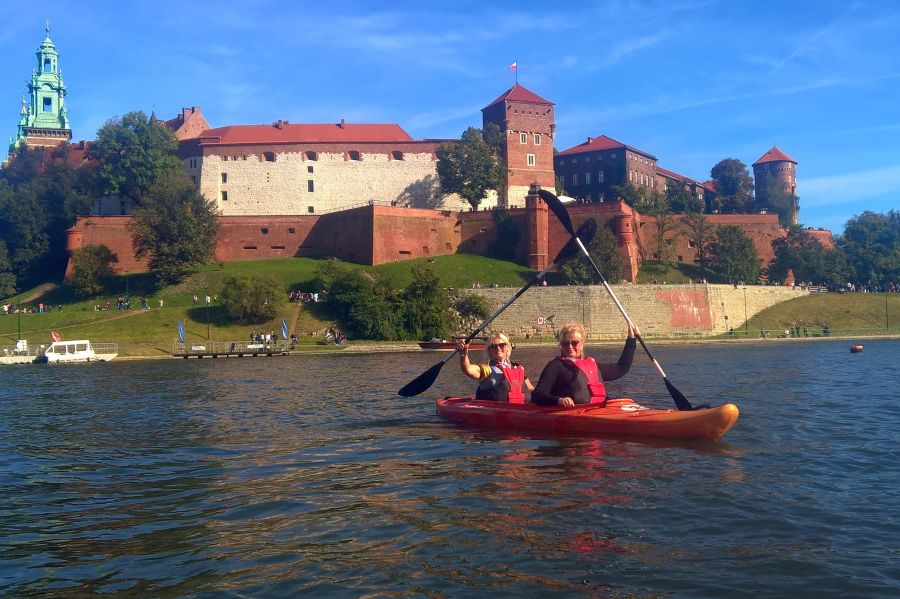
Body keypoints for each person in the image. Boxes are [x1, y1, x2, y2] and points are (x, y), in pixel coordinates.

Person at [532, 322, 638, 407]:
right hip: (572, 413)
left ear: (582, 344)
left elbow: (621, 368)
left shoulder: (592, 365)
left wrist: (631, 339)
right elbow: (537, 395)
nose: (569, 346)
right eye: (565, 343)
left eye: (574, 343)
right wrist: (559, 400)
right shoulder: (555, 366)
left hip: (598, 410)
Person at [456, 333, 534, 403]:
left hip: (518, 408)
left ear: (508, 347)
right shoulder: (486, 369)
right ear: (489, 351)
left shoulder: (518, 369)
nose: (498, 348)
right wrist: (463, 353)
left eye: (501, 345)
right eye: (493, 346)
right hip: (494, 410)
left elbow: (530, 389)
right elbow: (468, 369)